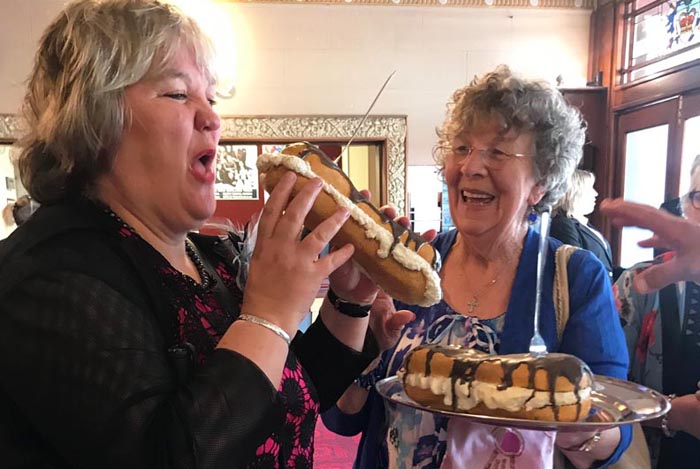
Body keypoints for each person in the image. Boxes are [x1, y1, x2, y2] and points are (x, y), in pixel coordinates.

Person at [0, 1, 403, 467]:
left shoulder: (204, 256)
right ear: (93, 119)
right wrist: (268, 316)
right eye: (177, 94)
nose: (212, 118)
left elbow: (285, 396)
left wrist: (348, 302)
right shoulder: (50, 274)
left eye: (210, 98)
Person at [323, 66, 631, 469]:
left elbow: (614, 429)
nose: (471, 167)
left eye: (498, 153)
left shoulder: (574, 277)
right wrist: (361, 332)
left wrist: (575, 428)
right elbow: (344, 418)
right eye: (462, 148)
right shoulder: (412, 266)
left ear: (540, 180)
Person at [610, 155, 700, 469]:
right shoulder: (637, 288)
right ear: (684, 207)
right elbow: (593, 394)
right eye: (699, 197)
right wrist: (674, 414)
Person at [550, 169, 614, 279]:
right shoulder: (563, 225)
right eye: (590, 189)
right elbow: (576, 266)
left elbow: (607, 268)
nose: (596, 194)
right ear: (574, 193)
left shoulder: (585, 225)